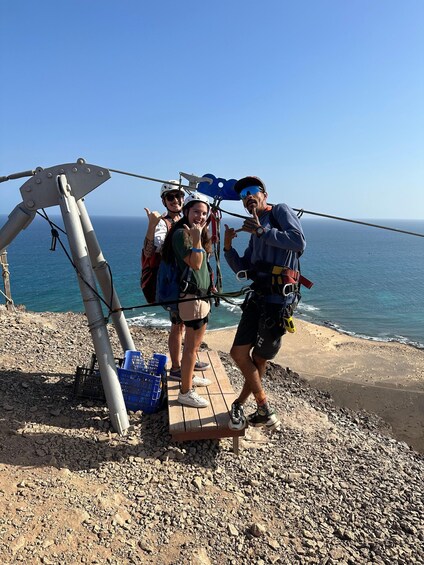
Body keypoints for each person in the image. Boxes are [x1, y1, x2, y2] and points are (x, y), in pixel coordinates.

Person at [223, 176, 306, 430]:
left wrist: (262, 231)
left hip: (277, 303)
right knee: (238, 353)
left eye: (252, 191)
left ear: (264, 195)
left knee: (259, 359)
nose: (247, 196)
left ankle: (250, 406)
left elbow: (298, 242)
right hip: (257, 298)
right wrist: (227, 248)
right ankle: (263, 408)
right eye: (243, 195)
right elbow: (246, 267)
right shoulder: (253, 230)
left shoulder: (279, 211)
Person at [143, 181, 210, 384]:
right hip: (176, 282)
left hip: (187, 279)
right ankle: (177, 367)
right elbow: (149, 252)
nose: (175, 200)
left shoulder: (186, 219)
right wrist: (152, 225)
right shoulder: (164, 224)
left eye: (178, 196)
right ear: (164, 201)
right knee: (177, 326)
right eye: (170, 197)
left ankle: (186, 362)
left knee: (183, 327)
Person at [161, 192, 213, 408]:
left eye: (203, 213)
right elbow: (196, 263)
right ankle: (185, 392)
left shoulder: (194, 232)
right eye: (195, 212)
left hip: (201, 296)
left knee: (196, 343)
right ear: (186, 212)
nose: (199, 217)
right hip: (191, 298)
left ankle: (188, 378)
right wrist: (198, 237)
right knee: (191, 347)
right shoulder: (182, 234)